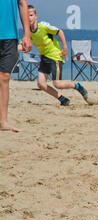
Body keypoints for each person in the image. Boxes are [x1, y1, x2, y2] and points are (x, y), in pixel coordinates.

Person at [19, 5, 89, 106]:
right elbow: (23, 46)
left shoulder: (43, 26)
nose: (29, 18)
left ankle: (77, 86)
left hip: (55, 57)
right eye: (26, 16)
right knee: (41, 84)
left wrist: (65, 47)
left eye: (31, 15)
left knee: (57, 84)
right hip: (44, 58)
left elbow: (59, 31)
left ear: (36, 16)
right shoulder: (28, 32)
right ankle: (63, 99)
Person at [0, 0, 32, 132]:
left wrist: (27, 35)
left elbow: (22, 3)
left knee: (5, 77)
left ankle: (3, 121)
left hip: (9, 34)